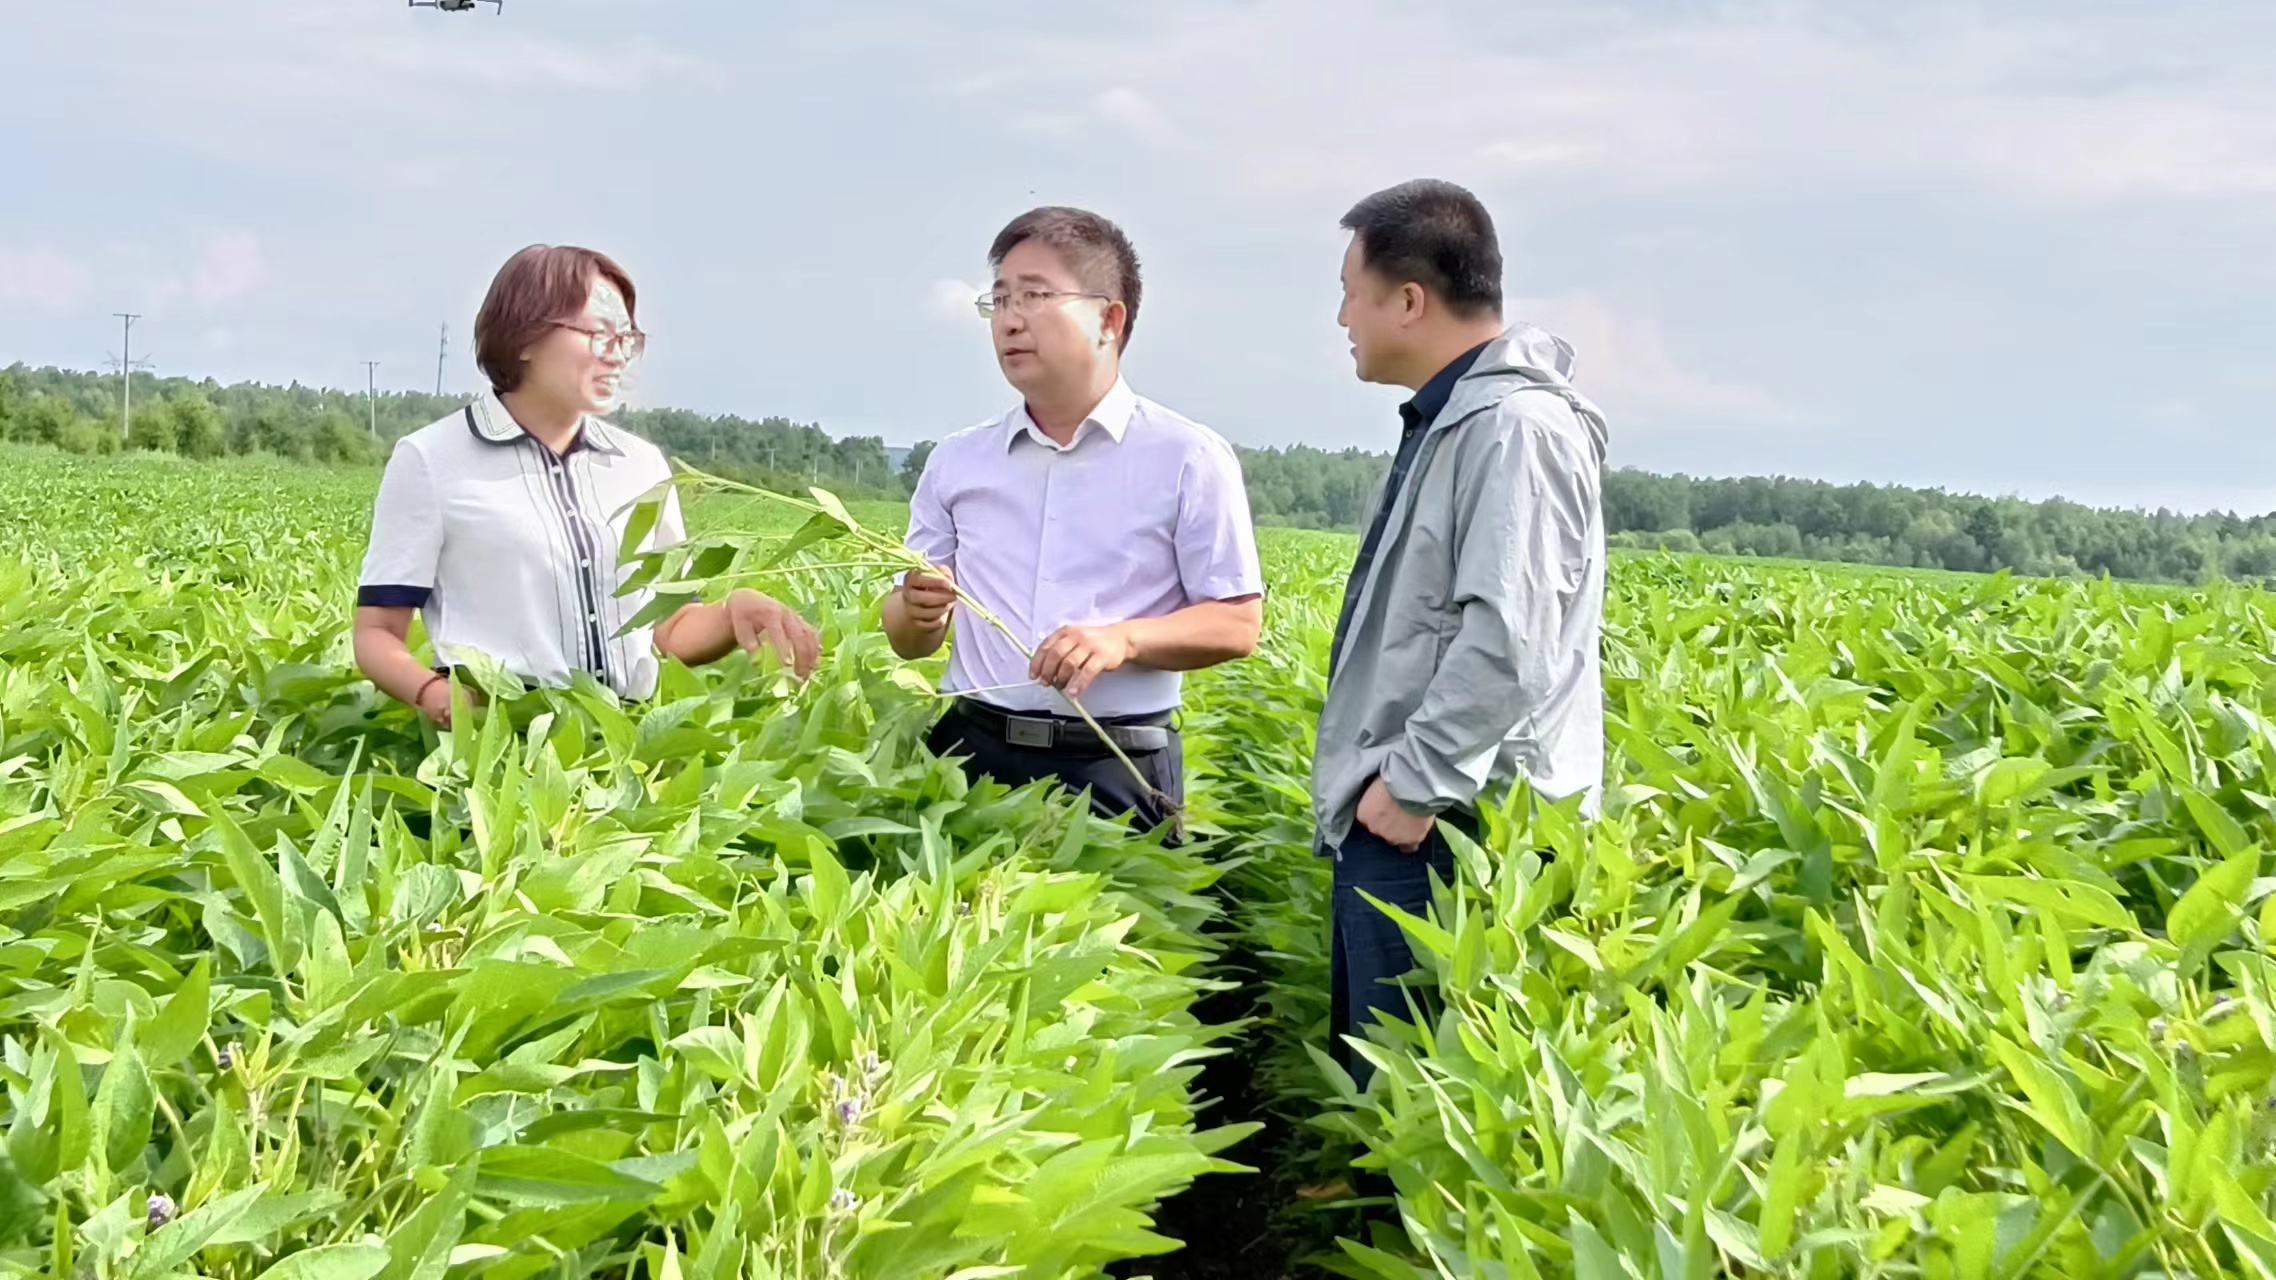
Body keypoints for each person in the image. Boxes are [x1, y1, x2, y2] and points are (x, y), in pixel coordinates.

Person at [1312, 180, 1609, 1081]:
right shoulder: (1459, 420)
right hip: (1425, 811)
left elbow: (1511, 639)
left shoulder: (1514, 428)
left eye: (1351, 293)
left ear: (1409, 300)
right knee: (1381, 1097)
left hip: (1454, 827)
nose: (1341, 318)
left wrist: (1412, 787)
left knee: (1414, 1101)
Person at [882, 206, 1265, 836]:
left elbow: (1236, 623)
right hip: (969, 758)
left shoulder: (1188, 457)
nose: (1010, 319)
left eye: (1035, 296)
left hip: (1115, 764)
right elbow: (908, 640)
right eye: (1000, 299)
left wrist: (1123, 640)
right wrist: (916, 612)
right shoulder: (957, 461)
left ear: (1109, 320)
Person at [353, 243, 820, 725]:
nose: (618, 357)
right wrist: (434, 694)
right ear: (524, 338)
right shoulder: (433, 459)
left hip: (627, 737)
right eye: (599, 335)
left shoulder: (641, 466)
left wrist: (732, 612)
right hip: (498, 731)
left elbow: (672, 626)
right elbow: (376, 633)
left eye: (627, 338)